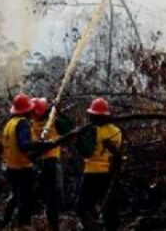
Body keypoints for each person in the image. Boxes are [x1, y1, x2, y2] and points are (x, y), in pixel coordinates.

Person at [1, 93, 58, 227]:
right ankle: (22, 226)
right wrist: (42, 144)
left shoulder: (9, 124)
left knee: (14, 197)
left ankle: (5, 223)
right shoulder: (23, 124)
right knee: (25, 202)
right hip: (22, 169)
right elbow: (24, 145)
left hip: (11, 167)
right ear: (27, 110)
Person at [76, 97, 122, 231]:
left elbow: (87, 152)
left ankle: (93, 228)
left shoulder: (94, 130)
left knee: (82, 207)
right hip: (109, 174)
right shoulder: (117, 131)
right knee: (109, 208)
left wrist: (79, 140)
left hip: (92, 173)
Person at [31, 97, 74, 230]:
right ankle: (52, 225)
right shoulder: (53, 121)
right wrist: (59, 112)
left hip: (36, 163)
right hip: (51, 163)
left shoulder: (30, 123)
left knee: (34, 197)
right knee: (51, 200)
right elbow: (70, 130)